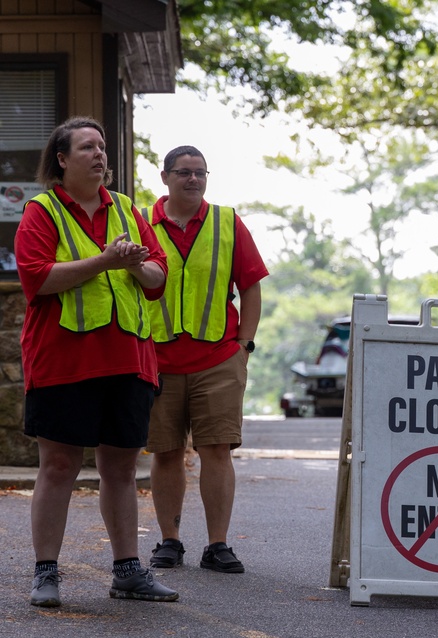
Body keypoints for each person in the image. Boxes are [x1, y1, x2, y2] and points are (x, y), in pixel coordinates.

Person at [16, 116, 178, 607]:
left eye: (103, 146)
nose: (100, 154)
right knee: (59, 466)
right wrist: (105, 261)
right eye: (87, 147)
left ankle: (128, 571)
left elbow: (157, 277)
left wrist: (134, 263)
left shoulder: (128, 210)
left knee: (122, 469)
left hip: (128, 360)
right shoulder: (42, 211)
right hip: (62, 362)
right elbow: (38, 279)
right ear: (62, 159)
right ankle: (46, 572)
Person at [142, 145, 268, 574]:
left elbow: (251, 287)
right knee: (165, 452)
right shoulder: (141, 224)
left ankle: (218, 545)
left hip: (218, 357)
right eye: (183, 173)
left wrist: (244, 345)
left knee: (217, 450)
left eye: (200, 173)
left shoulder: (228, 222)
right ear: (165, 178)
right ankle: (169, 541)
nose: (193, 180)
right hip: (156, 358)